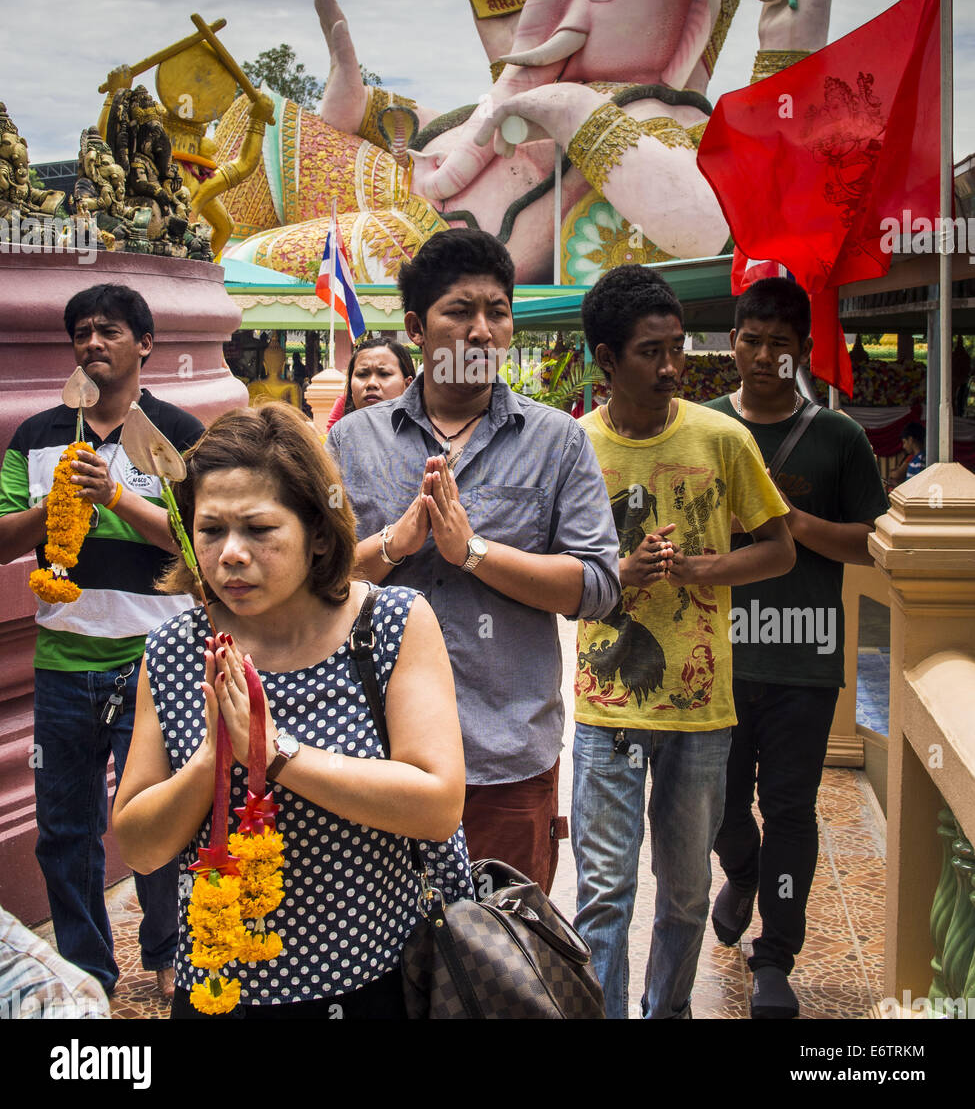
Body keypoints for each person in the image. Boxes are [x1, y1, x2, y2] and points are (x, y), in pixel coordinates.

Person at [113, 402, 470, 1018]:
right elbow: (140, 847)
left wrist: (276, 755)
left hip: (373, 983)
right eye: (210, 530)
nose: (230, 553)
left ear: (320, 533)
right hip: (222, 993)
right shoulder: (173, 650)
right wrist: (210, 760)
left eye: (258, 529)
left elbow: (437, 806)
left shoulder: (389, 626)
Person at [328, 229, 620, 892]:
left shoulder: (557, 442)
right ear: (415, 326)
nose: (481, 331)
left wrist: (474, 553)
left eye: (497, 311)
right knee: (386, 972)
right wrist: (391, 549)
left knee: (504, 963)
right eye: (460, 311)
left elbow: (599, 586)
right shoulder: (351, 441)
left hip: (505, 757)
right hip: (372, 754)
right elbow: (313, 577)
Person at [572, 265, 795, 1019]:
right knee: (602, 893)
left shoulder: (721, 439)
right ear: (605, 361)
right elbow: (552, 574)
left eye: (676, 350)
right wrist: (616, 574)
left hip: (700, 714)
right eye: (649, 353)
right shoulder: (573, 449)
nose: (671, 368)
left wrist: (704, 566)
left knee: (685, 895)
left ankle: (664, 1012)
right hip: (605, 709)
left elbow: (779, 548)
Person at [0, 283, 204, 1000]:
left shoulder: (179, 432)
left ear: (145, 344)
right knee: (62, 830)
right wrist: (53, 503)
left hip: (154, 662)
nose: (93, 343)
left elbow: (202, 541)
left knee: (160, 823)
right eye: (81, 332)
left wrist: (118, 498)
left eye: (109, 330)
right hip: (62, 663)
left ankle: (170, 957)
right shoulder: (36, 434)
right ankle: (87, 970)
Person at [706, 277, 888, 1018]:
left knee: (789, 809)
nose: (761, 355)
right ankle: (741, 871)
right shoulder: (706, 427)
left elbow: (870, 543)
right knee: (717, 806)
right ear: (732, 344)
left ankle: (774, 954)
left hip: (801, 661)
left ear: (803, 352)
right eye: (750, 339)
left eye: (779, 344)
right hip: (713, 657)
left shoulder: (837, 437)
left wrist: (788, 521)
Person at [341, 338, 416, 416]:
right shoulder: (341, 428)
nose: (371, 383)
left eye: (384, 374)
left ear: (408, 385)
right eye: (362, 374)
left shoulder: (425, 427)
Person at [886, 420, 926, 488]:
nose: (904, 446)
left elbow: (917, 486)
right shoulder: (916, 459)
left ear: (910, 439)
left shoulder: (921, 459)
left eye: (904, 442)